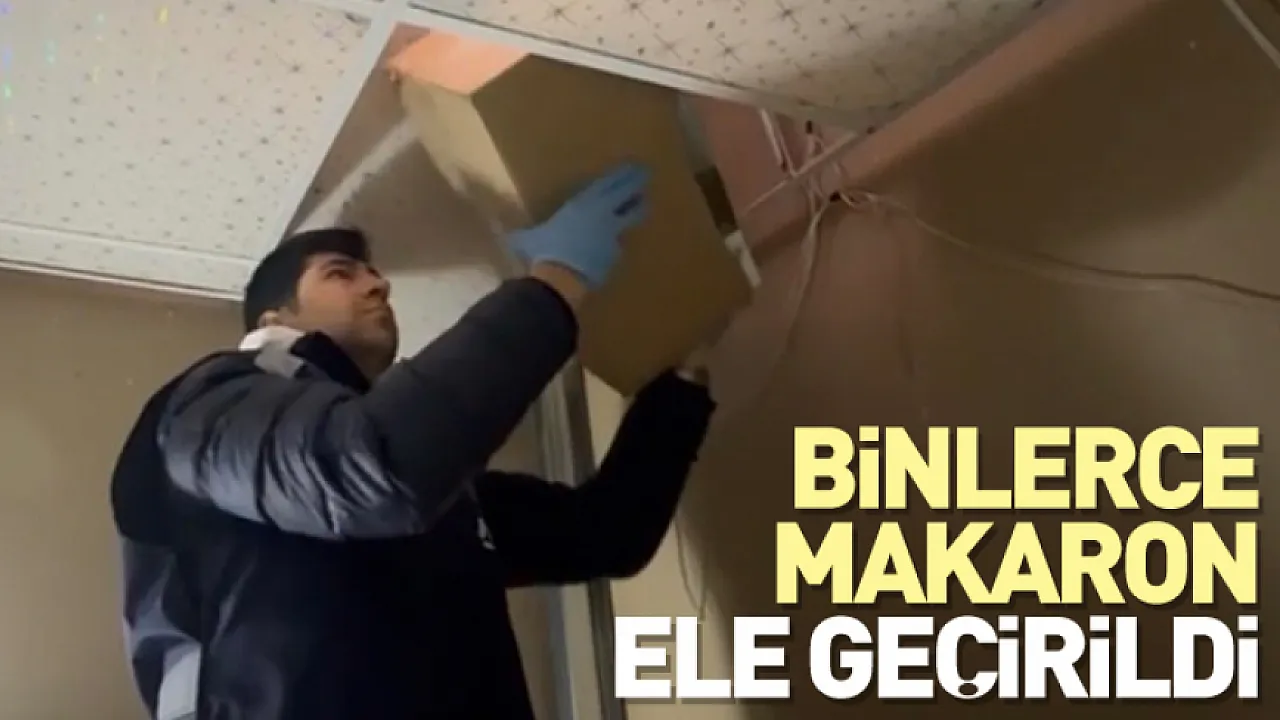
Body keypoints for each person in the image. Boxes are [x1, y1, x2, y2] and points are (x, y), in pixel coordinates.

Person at [109, 164, 720, 720]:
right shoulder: (207, 411)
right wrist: (557, 281)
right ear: (274, 320)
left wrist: (684, 373)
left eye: (376, 274)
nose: (378, 286)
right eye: (341, 273)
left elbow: (604, 532)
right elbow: (376, 464)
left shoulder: (437, 498)